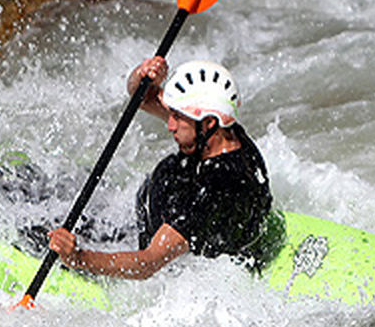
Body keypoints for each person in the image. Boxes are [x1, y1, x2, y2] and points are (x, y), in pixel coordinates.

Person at [47, 55, 278, 280]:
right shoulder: (221, 132)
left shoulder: (218, 189)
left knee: (39, 230)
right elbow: (142, 98)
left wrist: (78, 258)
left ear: (208, 123)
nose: (169, 125)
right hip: (148, 225)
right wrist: (143, 75)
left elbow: (147, 263)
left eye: (177, 117)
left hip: (166, 263)